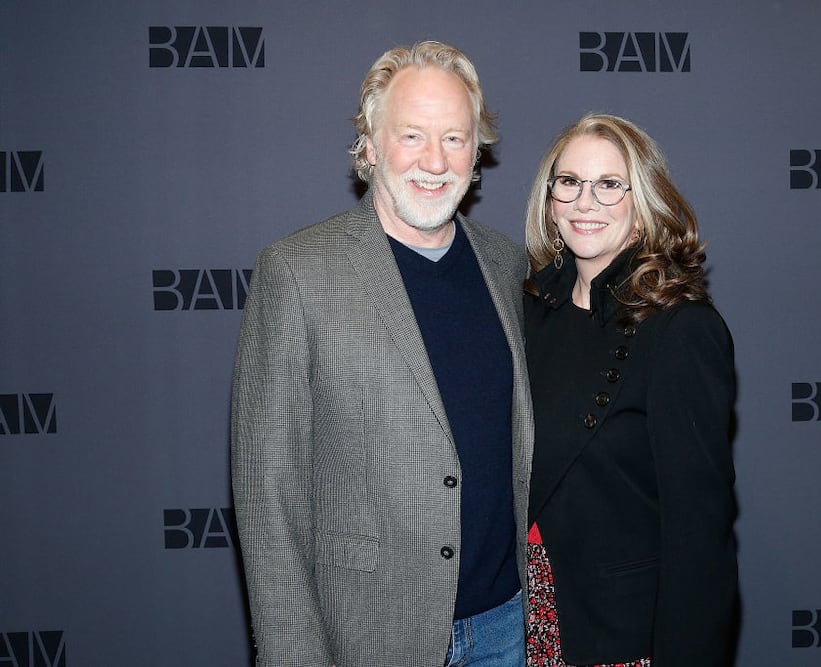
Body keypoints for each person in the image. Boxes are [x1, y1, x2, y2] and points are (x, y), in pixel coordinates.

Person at [230, 41, 533, 667]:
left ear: (478, 153)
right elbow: (267, 496)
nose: (435, 160)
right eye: (412, 135)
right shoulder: (298, 270)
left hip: (508, 626)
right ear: (369, 145)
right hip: (372, 636)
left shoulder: (507, 264)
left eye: (455, 138)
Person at [522, 113, 738, 666]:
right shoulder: (528, 310)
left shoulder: (680, 329)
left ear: (641, 207)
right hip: (524, 622)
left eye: (608, 185)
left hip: (622, 634)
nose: (583, 202)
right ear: (550, 199)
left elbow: (699, 531)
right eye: (568, 182)